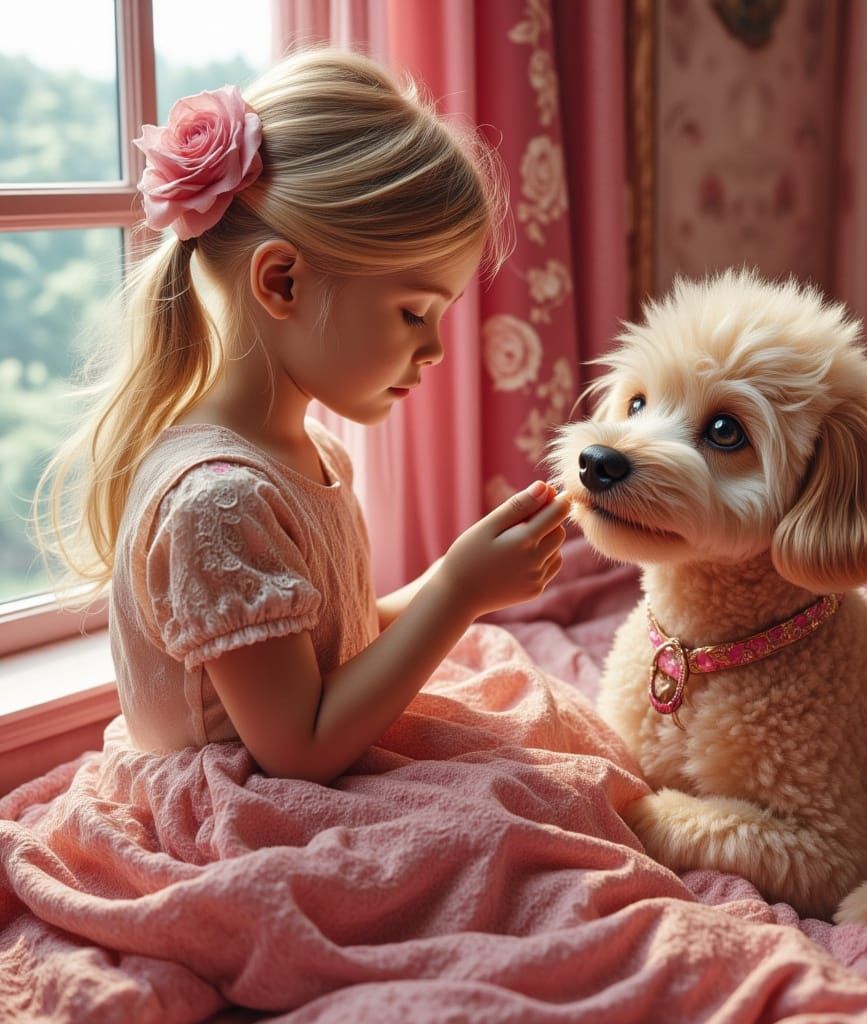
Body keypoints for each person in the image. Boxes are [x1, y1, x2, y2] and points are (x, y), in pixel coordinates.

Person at [35, 48, 569, 785]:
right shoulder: (219, 502)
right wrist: (457, 594)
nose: (437, 349)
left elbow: (333, 645)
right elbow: (301, 748)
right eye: (415, 311)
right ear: (281, 280)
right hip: (245, 812)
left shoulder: (311, 454)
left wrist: (461, 573)